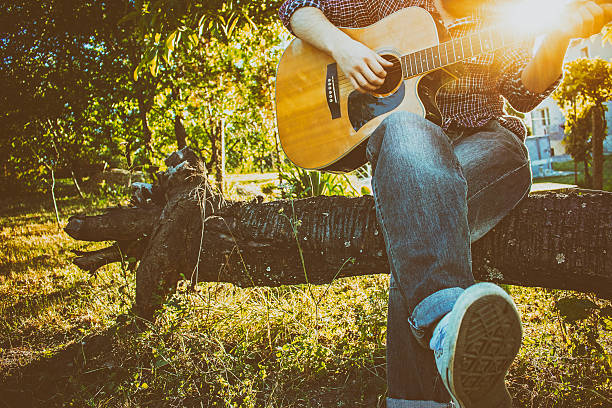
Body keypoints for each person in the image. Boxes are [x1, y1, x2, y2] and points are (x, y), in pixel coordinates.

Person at [278, 0, 612, 407]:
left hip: (487, 145)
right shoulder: (391, 7)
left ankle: (436, 345)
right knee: (403, 126)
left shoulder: (499, 16)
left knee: (419, 214)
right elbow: (296, 7)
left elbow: (523, 94)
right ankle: (447, 328)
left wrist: (557, 36)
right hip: (410, 153)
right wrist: (344, 48)